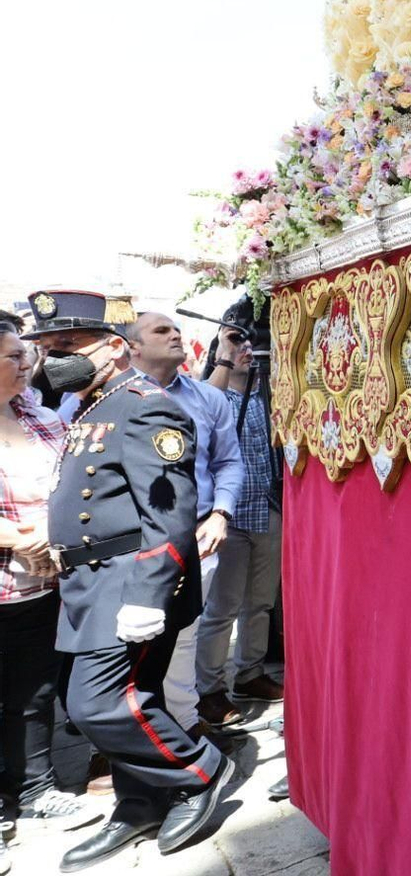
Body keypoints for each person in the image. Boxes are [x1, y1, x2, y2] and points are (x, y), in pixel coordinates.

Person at [25, 291, 235, 870]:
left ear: (115, 348)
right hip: (87, 585)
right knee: (89, 702)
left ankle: (201, 770)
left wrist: (146, 596)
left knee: (102, 705)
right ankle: (139, 803)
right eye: (45, 347)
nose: (52, 358)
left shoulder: (145, 404)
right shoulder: (92, 406)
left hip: (131, 584)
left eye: (66, 345)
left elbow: (169, 512)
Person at [0, 325, 99, 869]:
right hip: (8, 574)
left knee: (35, 691)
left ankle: (35, 789)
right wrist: (18, 537)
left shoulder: (39, 417)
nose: (28, 363)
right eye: (15, 356)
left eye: (26, 354)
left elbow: (73, 479)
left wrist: (51, 532)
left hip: (43, 583)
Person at [120, 313, 243, 738]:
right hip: (131, 544)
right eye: (160, 331)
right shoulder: (113, 398)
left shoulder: (208, 399)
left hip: (197, 539)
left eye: (176, 329)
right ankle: (123, 739)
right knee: (128, 644)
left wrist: (220, 513)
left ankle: (187, 727)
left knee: (183, 638)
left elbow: (228, 462)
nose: (175, 334)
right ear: (132, 346)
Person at [193, 321, 284, 729]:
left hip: (266, 512)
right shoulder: (214, 395)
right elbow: (202, 408)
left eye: (251, 344)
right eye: (239, 344)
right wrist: (224, 356)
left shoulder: (266, 395)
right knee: (221, 610)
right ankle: (209, 690)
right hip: (225, 519)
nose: (248, 350)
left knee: (260, 603)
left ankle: (249, 673)